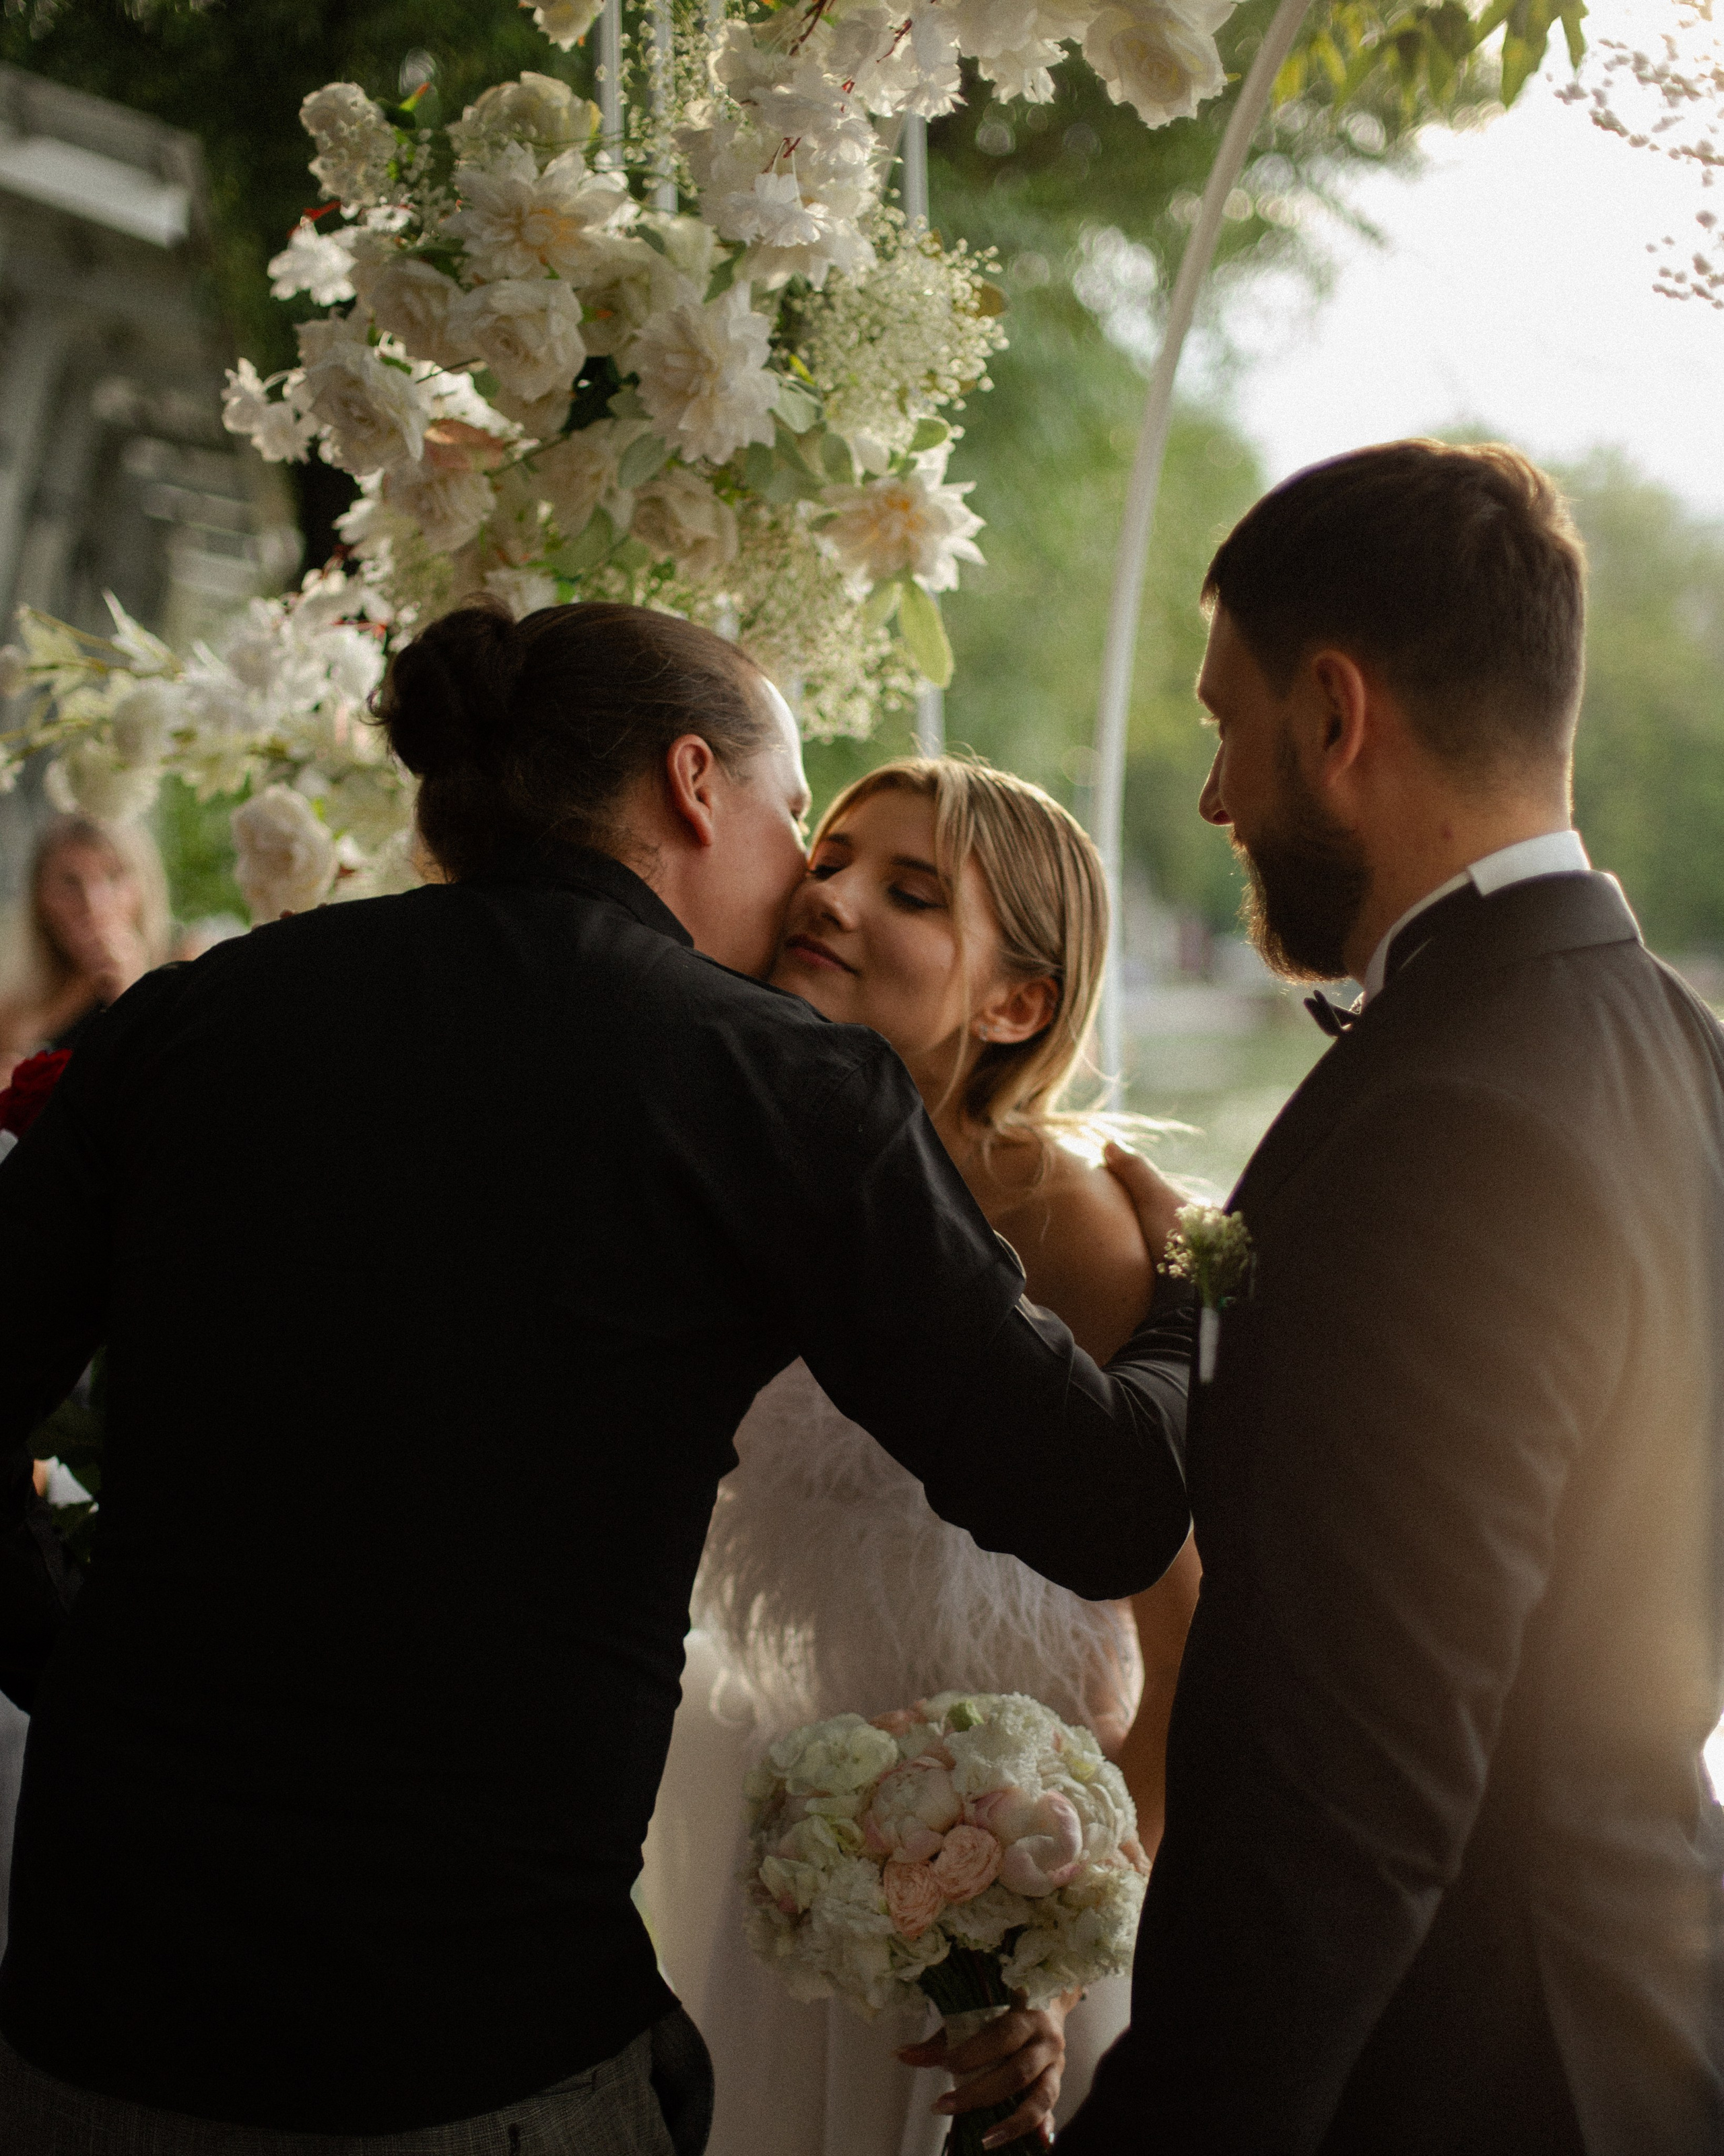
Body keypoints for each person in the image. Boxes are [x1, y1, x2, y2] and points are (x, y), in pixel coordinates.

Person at [0, 599, 1195, 2155]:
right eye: (796, 817)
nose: (808, 882)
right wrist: (1178, 1308)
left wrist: (64, 1652)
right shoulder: (769, 1085)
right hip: (469, 2047)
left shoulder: (197, 1012)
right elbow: (1104, 1507)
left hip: (93, 2008)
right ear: (698, 787)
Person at [1059, 440, 1724, 2156]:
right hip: (1640, 2004)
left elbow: (1347, 1789)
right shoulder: (1673, 1047)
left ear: (1333, 716)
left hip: (1463, 2067)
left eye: (1224, 725)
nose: (1212, 797)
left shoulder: (1444, 1125)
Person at [641, 756, 1202, 2155]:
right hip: (790, 1855)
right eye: (825, 856)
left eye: (908, 888)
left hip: (1014, 1882)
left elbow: (1187, 1621)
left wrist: (1057, 1948)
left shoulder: (1061, 1215)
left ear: (1014, 1002)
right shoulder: (746, 1166)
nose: (827, 893)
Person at [0, 814, 171, 1085]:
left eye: (113, 877)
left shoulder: (186, 974)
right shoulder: (14, 1009)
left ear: (143, 887)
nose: (93, 904)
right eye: (70, 883)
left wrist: (132, 992)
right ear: (41, 900)